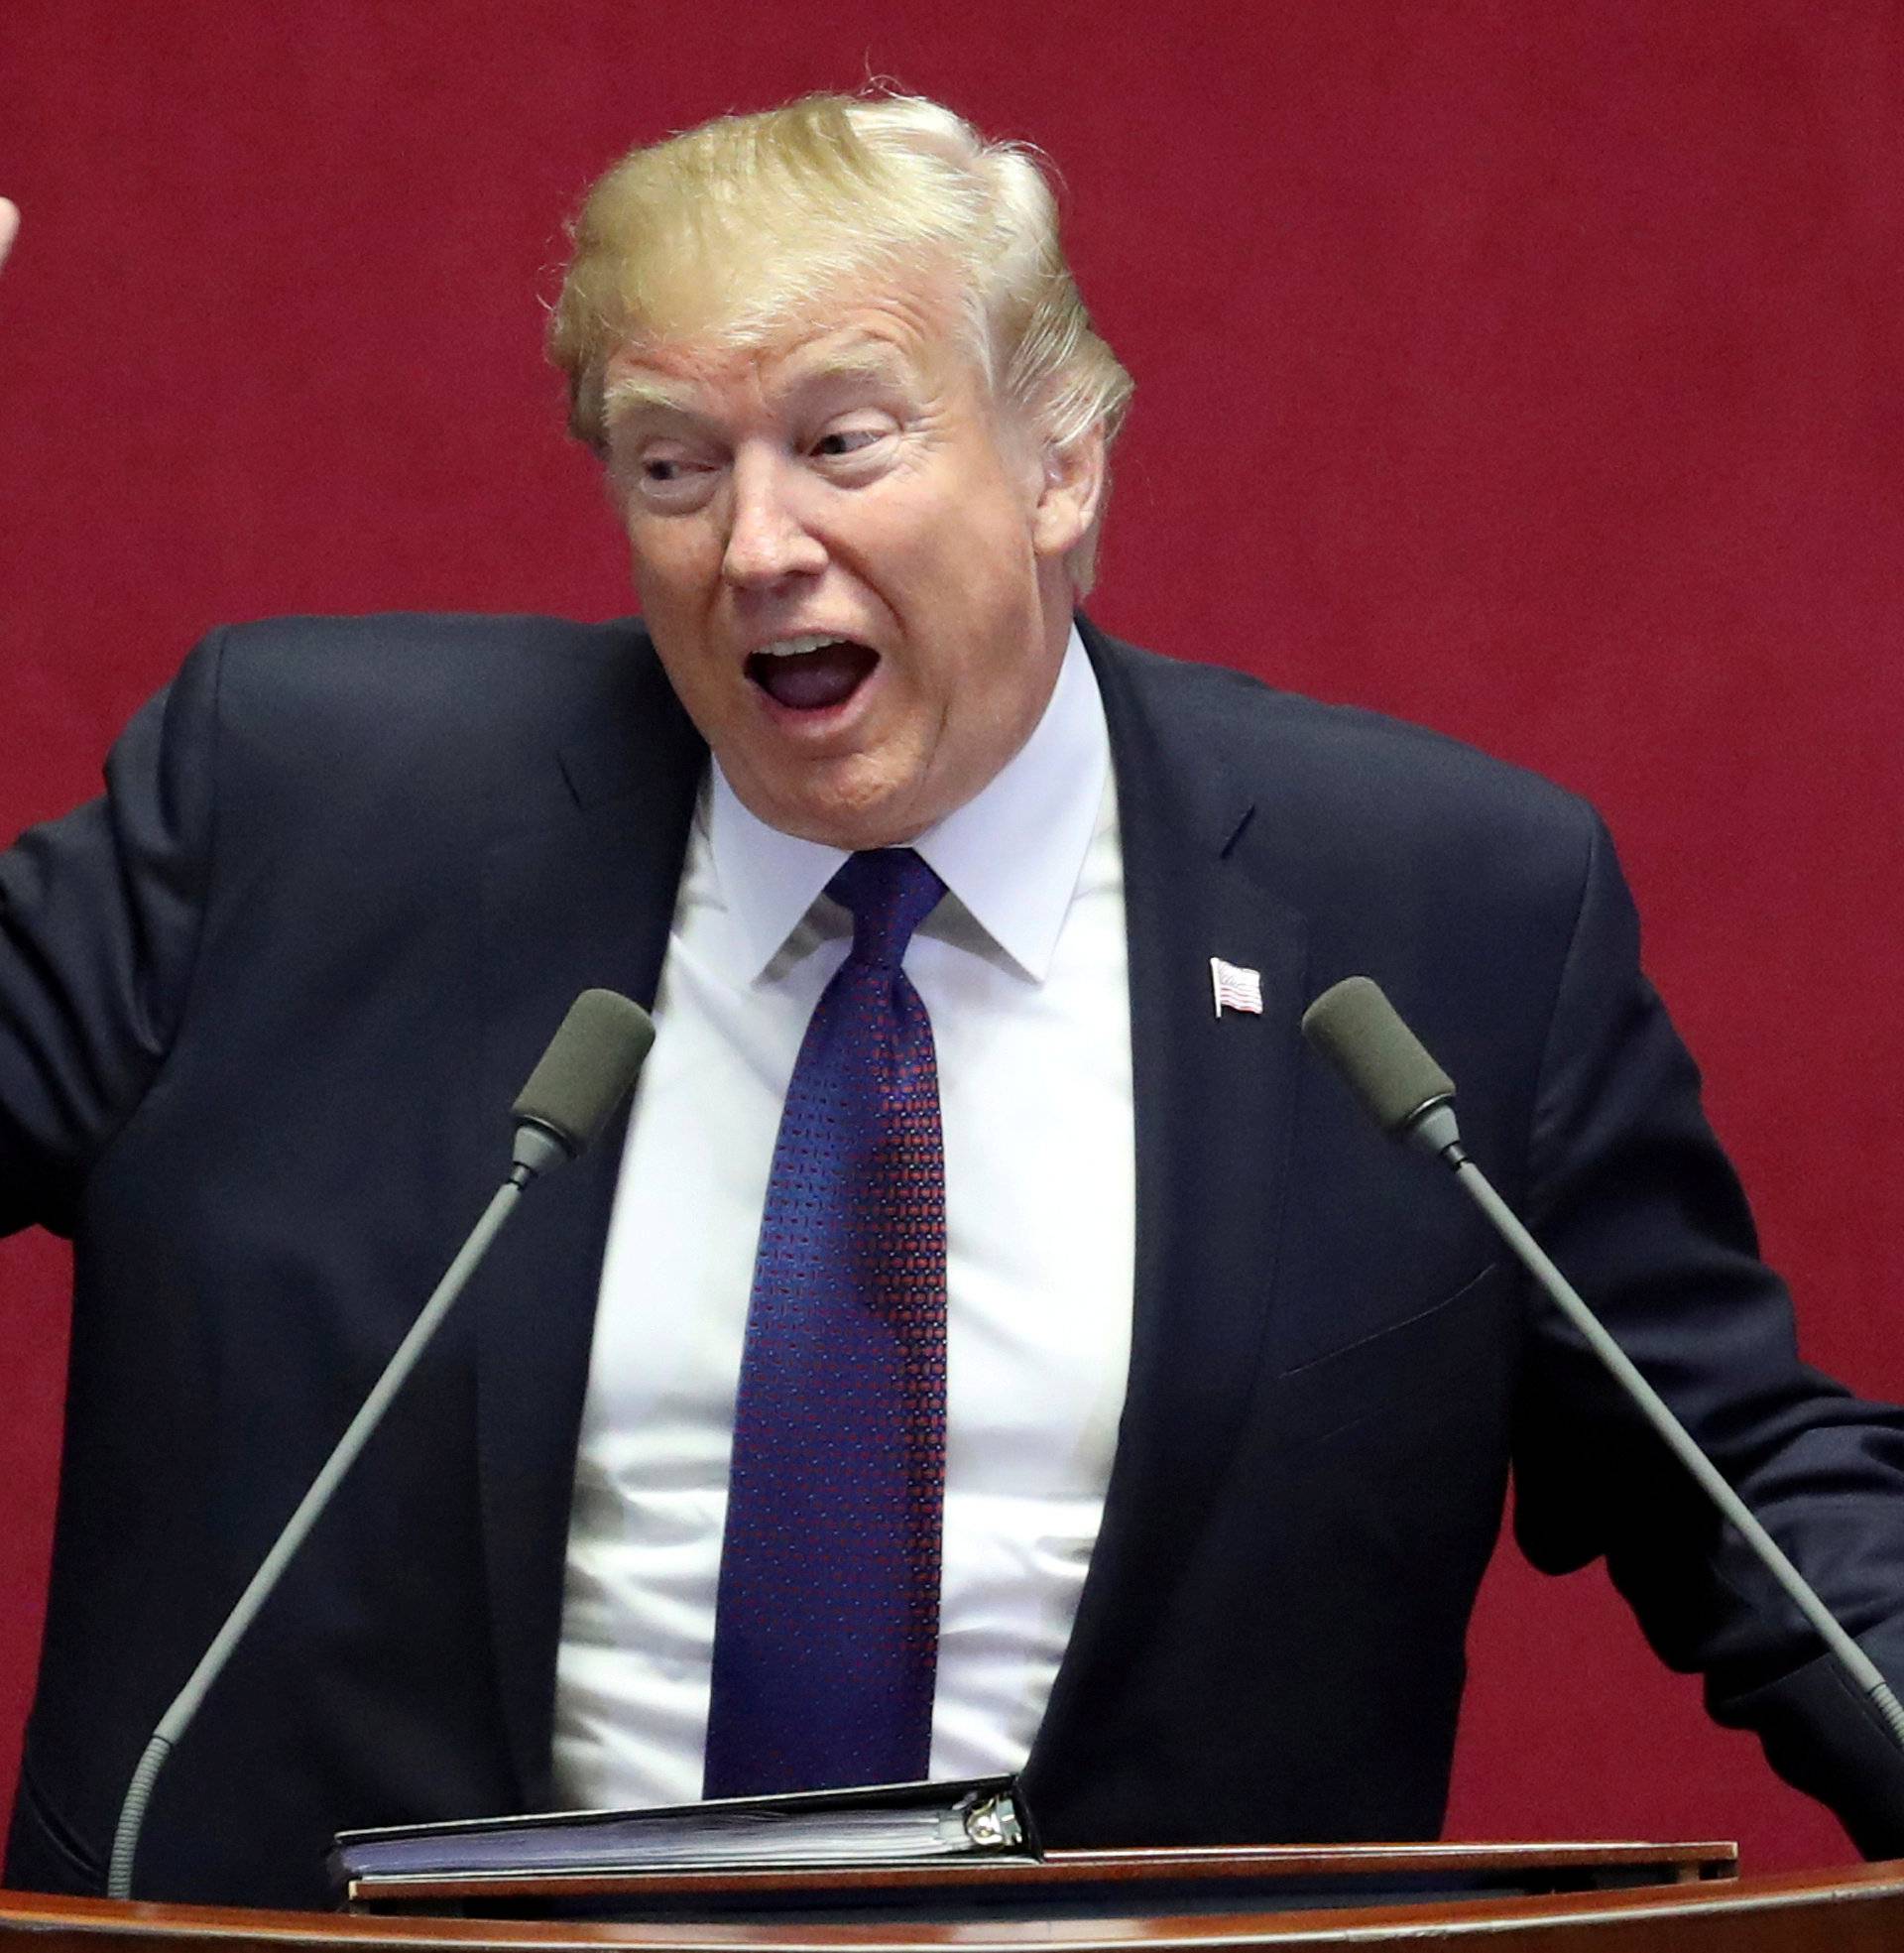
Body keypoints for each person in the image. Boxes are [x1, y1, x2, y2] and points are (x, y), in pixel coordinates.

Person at [5, 93, 1904, 1910]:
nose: (755, 547)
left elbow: (1745, 1487)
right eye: (675, 463)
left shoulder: (1440, 912)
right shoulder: (301, 808)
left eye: (844, 444)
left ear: (1063, 458)